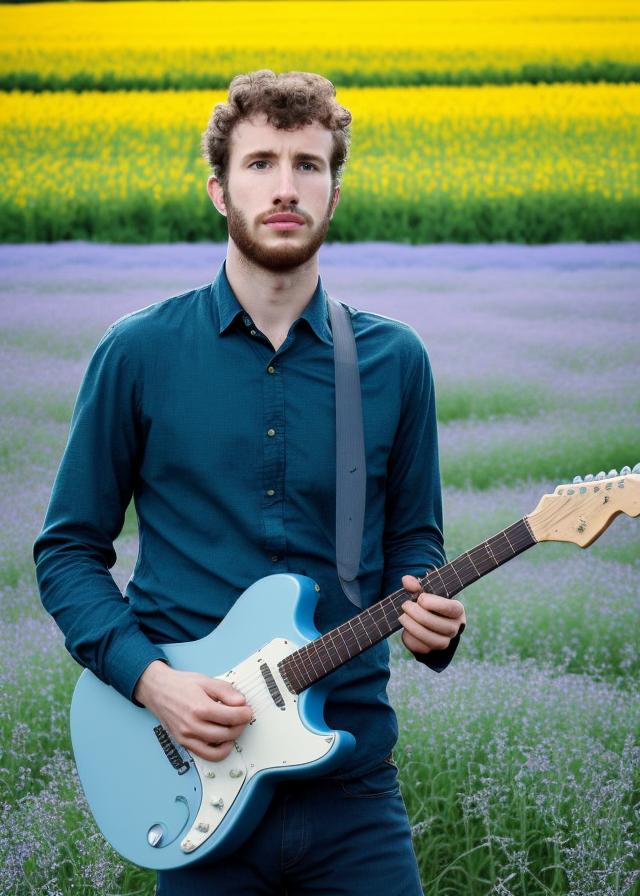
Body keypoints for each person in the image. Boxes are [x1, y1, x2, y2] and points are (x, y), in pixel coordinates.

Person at [33, 69, 466, 895]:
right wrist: (152, 682)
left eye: (309, 165)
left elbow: (416, 544)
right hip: (198, 777)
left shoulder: (394, 361)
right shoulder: (138, 353)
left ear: (334, 194)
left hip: (352, 789)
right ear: (217, 190)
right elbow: (67, 554)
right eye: (261, 162)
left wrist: (433, 624)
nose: (285, 186)